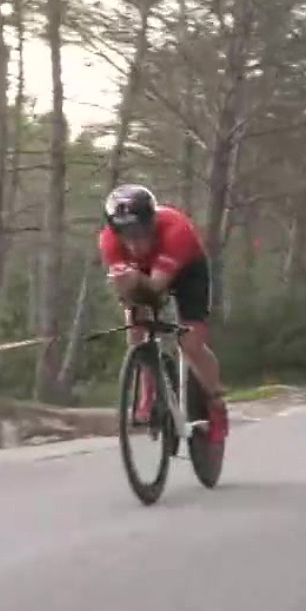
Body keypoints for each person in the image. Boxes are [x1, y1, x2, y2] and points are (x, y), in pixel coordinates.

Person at [98, 184, 228, 444]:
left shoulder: (176, 231)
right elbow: (128, 291)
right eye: (125, 235)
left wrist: (134, 280)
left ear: (152, 223)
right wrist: (127, 291)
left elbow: (155, 287)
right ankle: (148, 387)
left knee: (190, 343)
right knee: (134, 324)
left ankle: (216, 403)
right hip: (145, 271)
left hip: (187, 270)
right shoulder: (108, 240)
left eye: (139, 233)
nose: (133, 243)